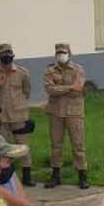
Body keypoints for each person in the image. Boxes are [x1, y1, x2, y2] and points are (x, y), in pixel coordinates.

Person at [0, 43, 35, 187]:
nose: (7, 56)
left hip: (19, 115)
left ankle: (27, 174)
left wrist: (20, 106)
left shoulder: (23, 73)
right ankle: (5, 174)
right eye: (4, 54)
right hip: (0, 117)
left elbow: (26, 92)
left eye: (9, 53)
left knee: (22, 145)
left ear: (13, 55)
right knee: (2, 146)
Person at [43, 43, 88, 189]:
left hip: (74, 113)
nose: (61, 55)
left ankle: (82, 175)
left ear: (69, 53)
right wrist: (69, 87)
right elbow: (50, 89)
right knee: (56, 145)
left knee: (78, 145)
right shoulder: (50, 70)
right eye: (59, 53)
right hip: (56, 113)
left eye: (64, 53)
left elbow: (79, 89)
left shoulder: (78, 69)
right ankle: (56, 175)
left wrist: (60, 88)